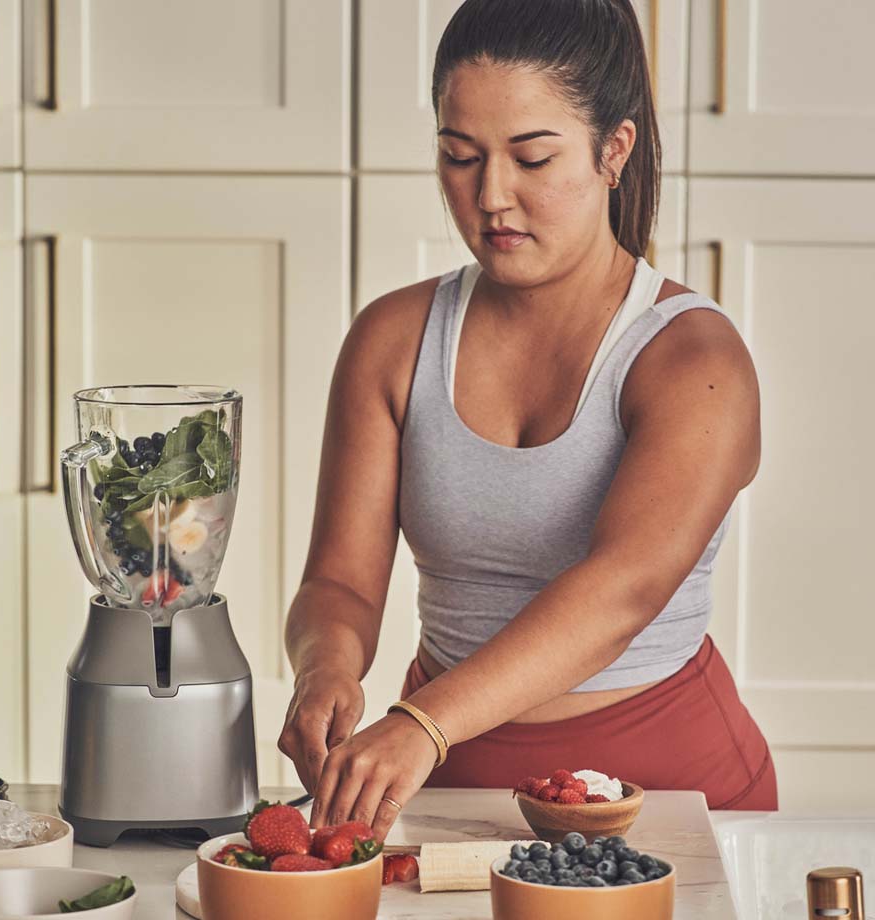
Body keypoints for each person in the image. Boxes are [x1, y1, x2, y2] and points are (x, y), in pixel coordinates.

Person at [277, 0, 777, 842]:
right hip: (442, 786)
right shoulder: (393, 339)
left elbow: (622, 593)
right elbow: (340, 582)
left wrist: (423, 722)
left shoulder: (694, 360)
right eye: (459, 157)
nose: (491, 197)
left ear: (613, 150)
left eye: (532, 158)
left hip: (670, 790)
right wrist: (325, 667)